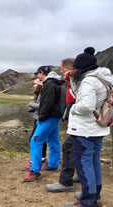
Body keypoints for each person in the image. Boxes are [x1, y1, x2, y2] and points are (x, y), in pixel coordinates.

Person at [64, 47, 113, 207]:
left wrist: (73, 108)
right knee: (93, 162)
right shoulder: (101, 78)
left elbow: (85, 104)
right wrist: (73, 79)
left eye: (76, 69)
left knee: (84, 164)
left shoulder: (88, 81)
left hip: (85, 129)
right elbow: (81, 93)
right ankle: (94, 195)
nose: (74, 71)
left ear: (82, 68)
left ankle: (87, 201)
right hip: (97, 128)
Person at [23, 66, 63, 182]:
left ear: (42, 73)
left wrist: (42, 117)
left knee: (35, 141)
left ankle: (35, 170)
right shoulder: (58, 83)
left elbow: (47, 104)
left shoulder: (49, 84)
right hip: (56, 116)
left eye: (38, 74)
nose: (37, 77)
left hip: (48, 117)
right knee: (53, 139)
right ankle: (53, 164)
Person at [45, 58, 77, 192]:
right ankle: (80, 175)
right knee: (81, 151)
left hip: (79, 124)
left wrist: (73, 123)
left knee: (68, 149)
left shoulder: (80, 83)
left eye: (64, 71)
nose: (63, 75)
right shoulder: (74, 83)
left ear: (70, 69)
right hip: (80, 124)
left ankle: (65, 182)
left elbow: (80, 105)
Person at [22, 78, 47, 171]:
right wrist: (33, 109)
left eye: (35, 84)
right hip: (39, 118)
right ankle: (42, 158)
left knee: (33, 139)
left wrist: (31, 104)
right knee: (42, 140)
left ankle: (34, 162)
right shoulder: (40, 94)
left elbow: (41, 106)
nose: (34, 85)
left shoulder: (42, 94)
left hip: (40, 119)